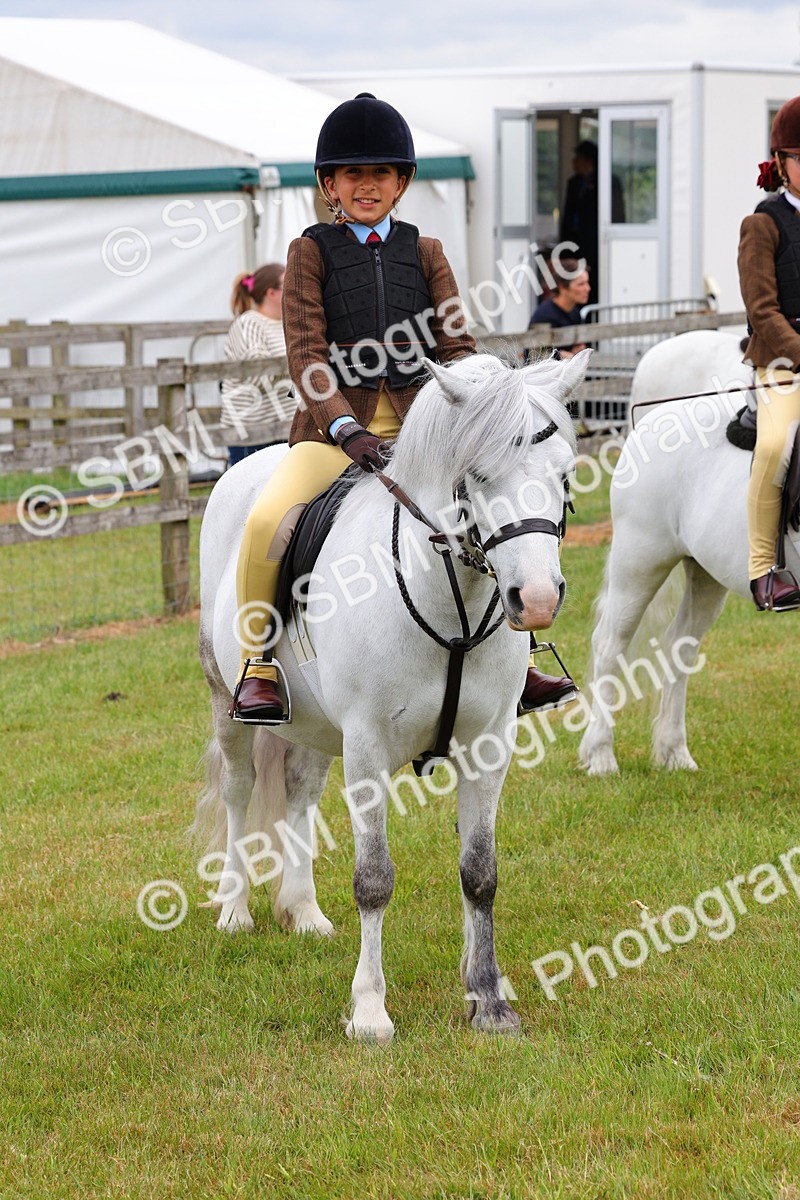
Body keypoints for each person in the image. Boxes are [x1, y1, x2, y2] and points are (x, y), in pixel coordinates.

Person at [231, 92, 578, 722]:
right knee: (266, 521)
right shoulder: (309, 253)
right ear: (329, 183)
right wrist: (342, 426)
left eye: (381, 174)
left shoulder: (427, 252)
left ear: (402, 182)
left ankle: (520, 658)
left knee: (502, 516)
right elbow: (306, 352)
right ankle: (259, 664)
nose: (367, 186)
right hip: (332, 432)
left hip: (430, 436)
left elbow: (458, 345)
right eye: (353, 175)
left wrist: (479, 409)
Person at [738, 96, 800, 612]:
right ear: (780, 162)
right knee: (775, 445)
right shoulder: (763, 222)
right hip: (780, 362)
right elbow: (762, 309)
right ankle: (763, 570)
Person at [220, 263, 293, 467]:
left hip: (284, 427)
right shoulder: (249, 323)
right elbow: (259, 376)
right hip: (251, 431)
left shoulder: (289, 323)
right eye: (288, 285)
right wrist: (299, 362)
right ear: (271, 293)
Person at [559, 141, 625, 307]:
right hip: (574, 245)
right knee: (573, 284)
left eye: (577, 158)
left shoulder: (608, 182)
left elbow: (617, 216)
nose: (573, 162)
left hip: (597, 247)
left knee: (593, 286)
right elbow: (568, 216)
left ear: (588, 160)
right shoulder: (574, 183)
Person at [528, 257, 591, 358]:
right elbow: (533, 353)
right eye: (581, 284)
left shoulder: (575, 313)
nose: (588, 288)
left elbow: (575, 348)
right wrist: (560, 355)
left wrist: (578, 350)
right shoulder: (544, 316)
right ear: (562, 287)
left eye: (587, 283)